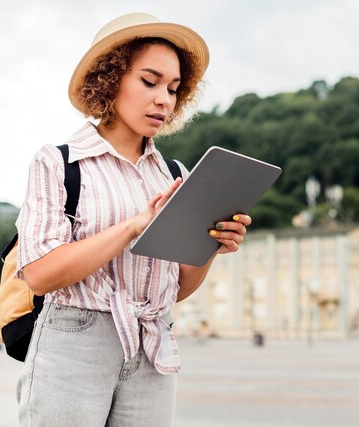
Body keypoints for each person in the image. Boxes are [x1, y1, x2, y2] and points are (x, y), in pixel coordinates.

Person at [15, 13, 250, 426]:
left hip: (151, 346)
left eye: (174, 89)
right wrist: (133, 225)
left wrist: (211, 246)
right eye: (150, 81)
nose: (164, 99)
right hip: (74, 342)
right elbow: (39, 274)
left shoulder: (175, 176)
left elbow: (175, 288)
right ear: (110, 79)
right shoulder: (59, 163)